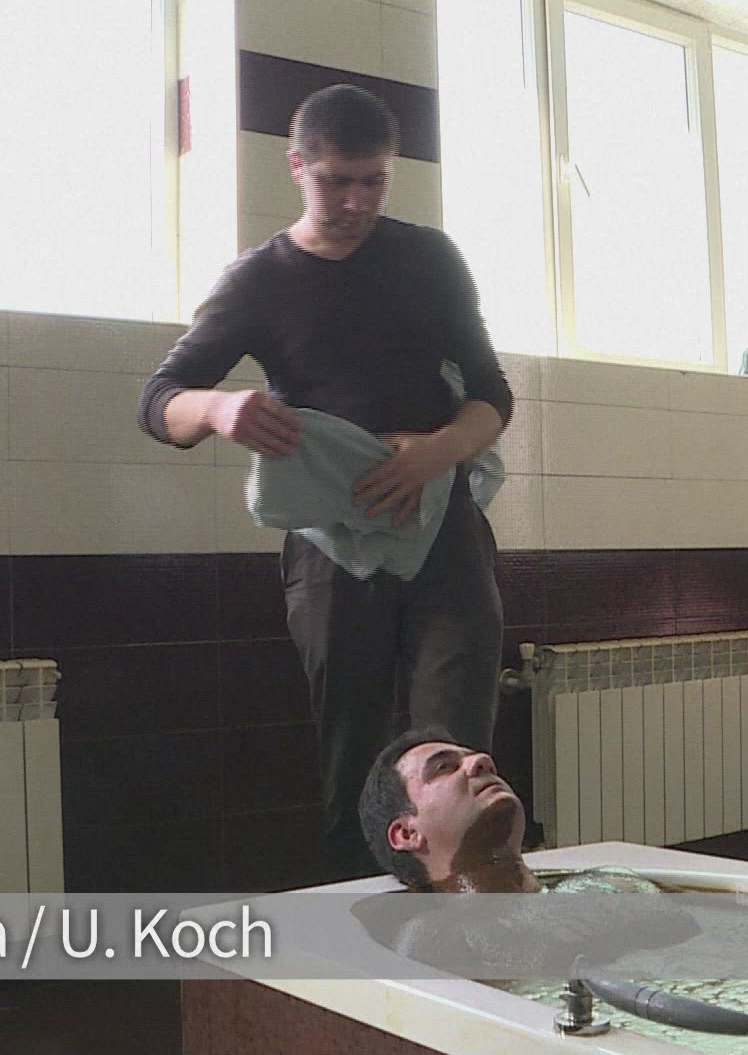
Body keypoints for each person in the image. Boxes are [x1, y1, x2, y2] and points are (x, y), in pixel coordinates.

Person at [138, 84, 513, 880]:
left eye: (374, 181)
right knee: (355, 753)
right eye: (336, 181)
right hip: (330, 546)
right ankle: (361, 927)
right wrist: (220, 408)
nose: (356, 202)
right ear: (297, 166)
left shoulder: (428, 259)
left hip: (441, 524)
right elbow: (159, 402)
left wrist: (438, 451)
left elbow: (492, 394)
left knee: (459, 752)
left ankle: (472, 927)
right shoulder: (258, 280)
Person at [358, 726, 663, 895]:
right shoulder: (431, 952)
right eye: (443, 767)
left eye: (475, 757)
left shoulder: (616, 889)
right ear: (407, 834)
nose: (482, 761)